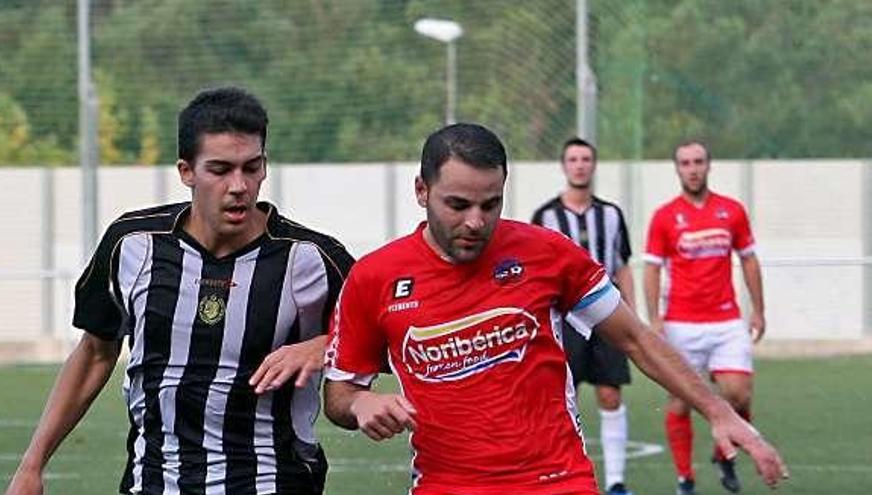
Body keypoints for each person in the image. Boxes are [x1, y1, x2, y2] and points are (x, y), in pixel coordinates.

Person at [323, 123, 787, 495]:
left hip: (557, 480)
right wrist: (361, 401)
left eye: (491, 204)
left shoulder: (546, 253)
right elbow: (339, 395)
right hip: (446, 485)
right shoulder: (374, 278)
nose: (475, 222)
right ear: (422, 190)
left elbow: (635, 339)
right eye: (457, 204)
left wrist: (718, 412)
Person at [5, 87, 353, 495]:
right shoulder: (132, 244)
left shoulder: (312, 258)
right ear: (186, 171)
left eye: (251, 167)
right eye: (220, 170)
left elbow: (392, 334)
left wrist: (326, 346)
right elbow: (96, 352)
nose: (239, 185)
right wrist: (32, 465)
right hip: (155, 480)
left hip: (273, 479)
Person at [643, 140, 765, 495]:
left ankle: (723, 454)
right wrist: (655, 319)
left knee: (738, 394)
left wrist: (759, 308)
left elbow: (749, 260)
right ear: (677, 168)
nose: (693, 168)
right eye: (685, 163)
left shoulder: (732, 211)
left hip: (726, 319)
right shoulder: (665, 217)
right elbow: (651, 270)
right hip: (681, 323)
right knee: (681, 400)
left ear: (709, 166)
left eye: (698, 161)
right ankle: (685, 480)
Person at [531, 137, 636, 495]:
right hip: (563, 325)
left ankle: (617, 482)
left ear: (593, 165)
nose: (580, 165)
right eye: (573, 159)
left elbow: (622, 267)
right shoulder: (545, 217)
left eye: (586, 159)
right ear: (564, 166)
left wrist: (631, 315)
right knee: (560, 399)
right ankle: (552, 475)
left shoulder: (611, 214)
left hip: (606, 318)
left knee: (610, 395)